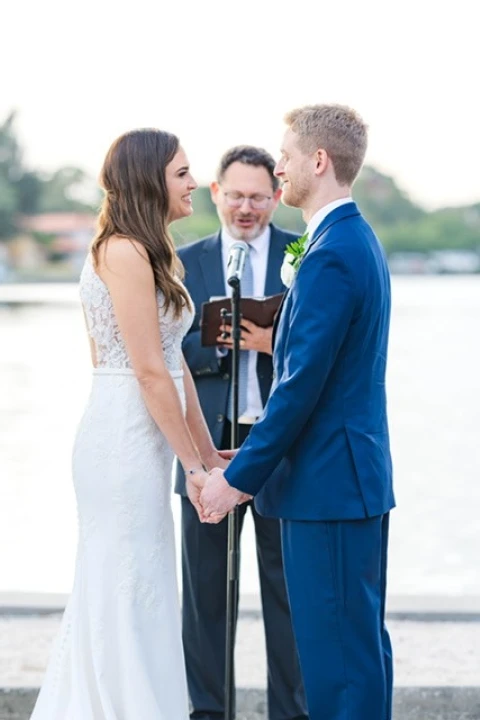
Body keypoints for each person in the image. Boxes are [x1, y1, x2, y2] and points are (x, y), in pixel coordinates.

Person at [201, 105, 395, 720]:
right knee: (351, 655)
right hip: (338, 483)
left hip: (329, 489)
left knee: (338, 667)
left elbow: (299, 388)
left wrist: (235, 481)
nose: (277, 165)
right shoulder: (346, 239)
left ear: (319, 161)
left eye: (285, 156)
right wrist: (246, 460)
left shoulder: (333, 253)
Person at [30, 128, 228, 720]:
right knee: (122, 577)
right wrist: (192, 468)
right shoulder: (121, 251)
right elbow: (147, 371)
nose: (195, 183)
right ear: (149, 180)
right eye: (182, 173)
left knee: (144, 577)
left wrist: (209, 454)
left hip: (151, 435)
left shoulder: (155, 250)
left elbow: (179, 367)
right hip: (121, 436)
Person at [175, 145, 307, 720]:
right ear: (216, 194)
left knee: (288, 594)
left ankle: (292, 712)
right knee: (206, 595)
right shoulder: (184, 262)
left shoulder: (301, 257)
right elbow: (161, 353)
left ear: (276, 196)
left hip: (281, 445)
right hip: (210, 442)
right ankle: (209, 713)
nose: (246, 208)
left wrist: (270, 340)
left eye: (257, 197)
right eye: (236, 196)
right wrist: (216, 338)